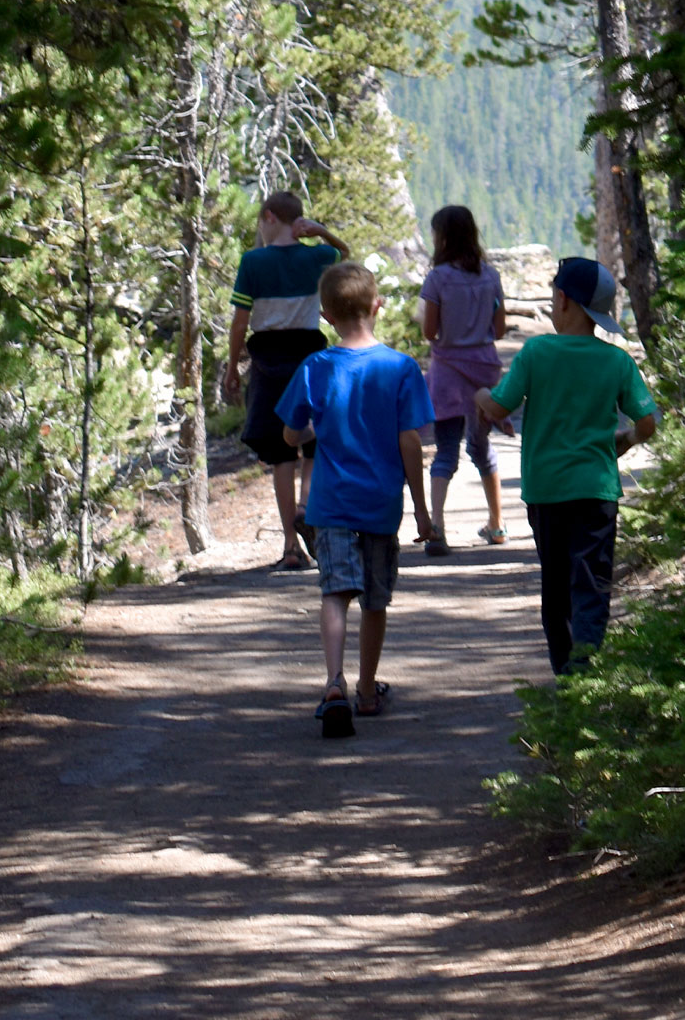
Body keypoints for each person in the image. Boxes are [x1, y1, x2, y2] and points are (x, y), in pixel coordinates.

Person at [476, 257, 658, 675]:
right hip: (596, 492)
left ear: (561, 300)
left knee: (556, 588)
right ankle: (587, 673)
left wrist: (482, 395)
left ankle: (566, 675)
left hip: (546, 491)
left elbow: (500, 405)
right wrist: (625, 440)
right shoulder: (616, 361)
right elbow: (647, 422)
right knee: (591, 585)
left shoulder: (537, 352)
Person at [279, 260, 438, 738]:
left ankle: (333, 683)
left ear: (325, 316)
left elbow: (289, 435)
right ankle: (367, 691)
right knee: (374, 598)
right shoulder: (401, 367)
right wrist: (424, 511)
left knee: (335, 592)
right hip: (379, 506)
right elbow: (410, 442)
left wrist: (313, 429)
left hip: (331, 504)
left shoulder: (316, 367)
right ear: (378, 306)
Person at [224, 191, 351, 569]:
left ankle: (290, 547)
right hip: (309, 353)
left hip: (267, 357)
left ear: (268, 217)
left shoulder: (253, 262)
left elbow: (240, 322)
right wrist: (324, 233)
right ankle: (305, 506)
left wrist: (233, 367)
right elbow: (345, 256)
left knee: (280, 452)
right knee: (312, 440)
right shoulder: (319, 256)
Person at [419, 204, 508, 554]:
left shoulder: (437, 278)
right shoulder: (491, 275)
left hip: (448, 372)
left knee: (445, 451)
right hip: (483, 370)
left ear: (441, 238)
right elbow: (499, 329)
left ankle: (437, 528)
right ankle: (497, 523)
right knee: (481, 447)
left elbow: (430, 331)